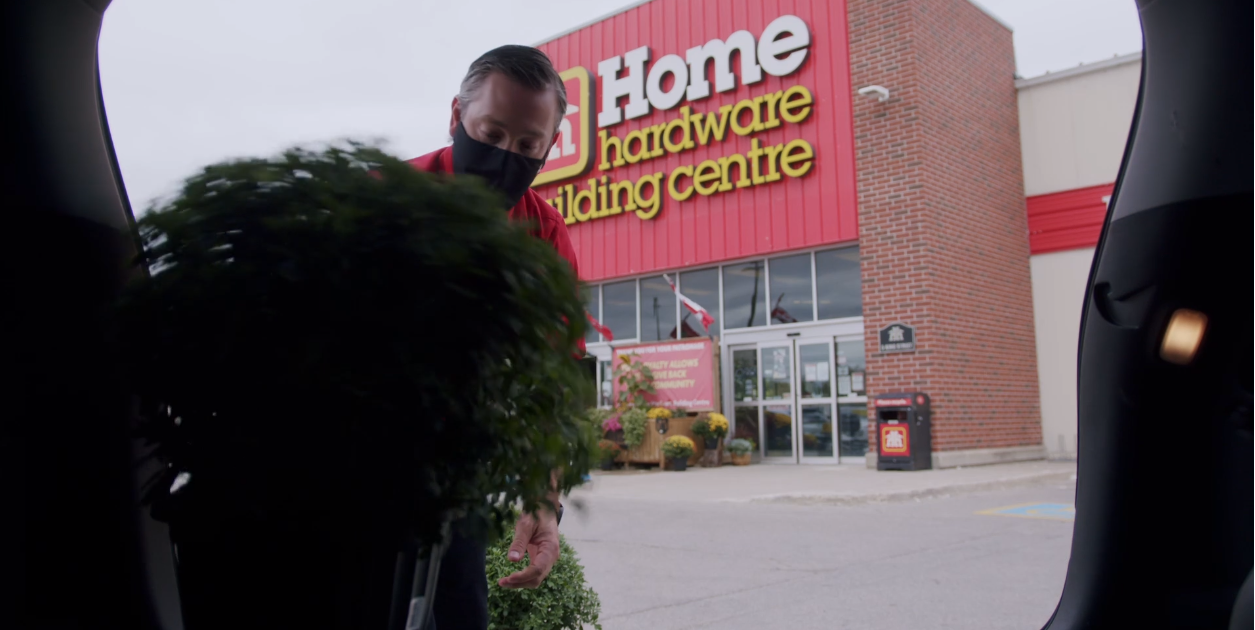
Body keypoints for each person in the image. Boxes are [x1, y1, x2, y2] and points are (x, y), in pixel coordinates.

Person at [407, 45, 578, 630]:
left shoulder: (543, 232)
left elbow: (551, 380)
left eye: (529, 146)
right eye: (491, 133)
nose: (507, 155)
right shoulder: (384, 199)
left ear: (550, 147)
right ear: (457, 116)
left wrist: (544, 500)